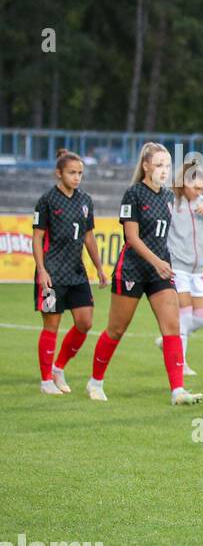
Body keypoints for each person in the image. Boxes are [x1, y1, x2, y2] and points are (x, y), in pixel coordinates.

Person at [87, 142, 203, 405]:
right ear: (146, 166)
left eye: (168, 165)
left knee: (172, 327)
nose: (164, 170)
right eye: (159, 164)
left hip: (159, 272)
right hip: (133, 269)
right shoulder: (134, 194)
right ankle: (95, 382)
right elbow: (132, 237)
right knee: (116, 329)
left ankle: (178, 391)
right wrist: (156, 261)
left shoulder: (166, 196)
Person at [33, 149, 106, 394]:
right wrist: (41, 270)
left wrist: (99, 268)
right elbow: (37, 237)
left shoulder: (85, 200)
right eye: (72, 173)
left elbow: (88, 236)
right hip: (52, 273)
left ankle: (58, 368)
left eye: (80, 173)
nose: (76, 177)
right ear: (59, 173)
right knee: (51, 326)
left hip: (76, 272)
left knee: (85, 322)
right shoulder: (47, 200)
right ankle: (45, 382)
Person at [157, 157, 203, 376]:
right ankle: (181, 363)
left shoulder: (202, 202)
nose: (198, 191)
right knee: (183, 317)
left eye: (201, 188)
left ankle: (169, 340)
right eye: (195, 187)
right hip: (178, 268)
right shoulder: (171, 203)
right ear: (183, 183)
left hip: (198, 270)